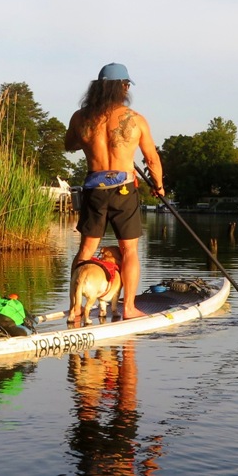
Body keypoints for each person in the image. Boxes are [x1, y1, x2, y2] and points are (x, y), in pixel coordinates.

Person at [64, 62, 164, 319]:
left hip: (94, 188)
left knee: (86, 250)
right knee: (129, 250)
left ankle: (75, 308)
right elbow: (151, 159)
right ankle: (128, 308)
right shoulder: (136, 119)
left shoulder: (80, 117)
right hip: (123, 188)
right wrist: (159, 186)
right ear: (123, 87)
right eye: (127, 84)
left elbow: (69, 144)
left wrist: (89, 139)